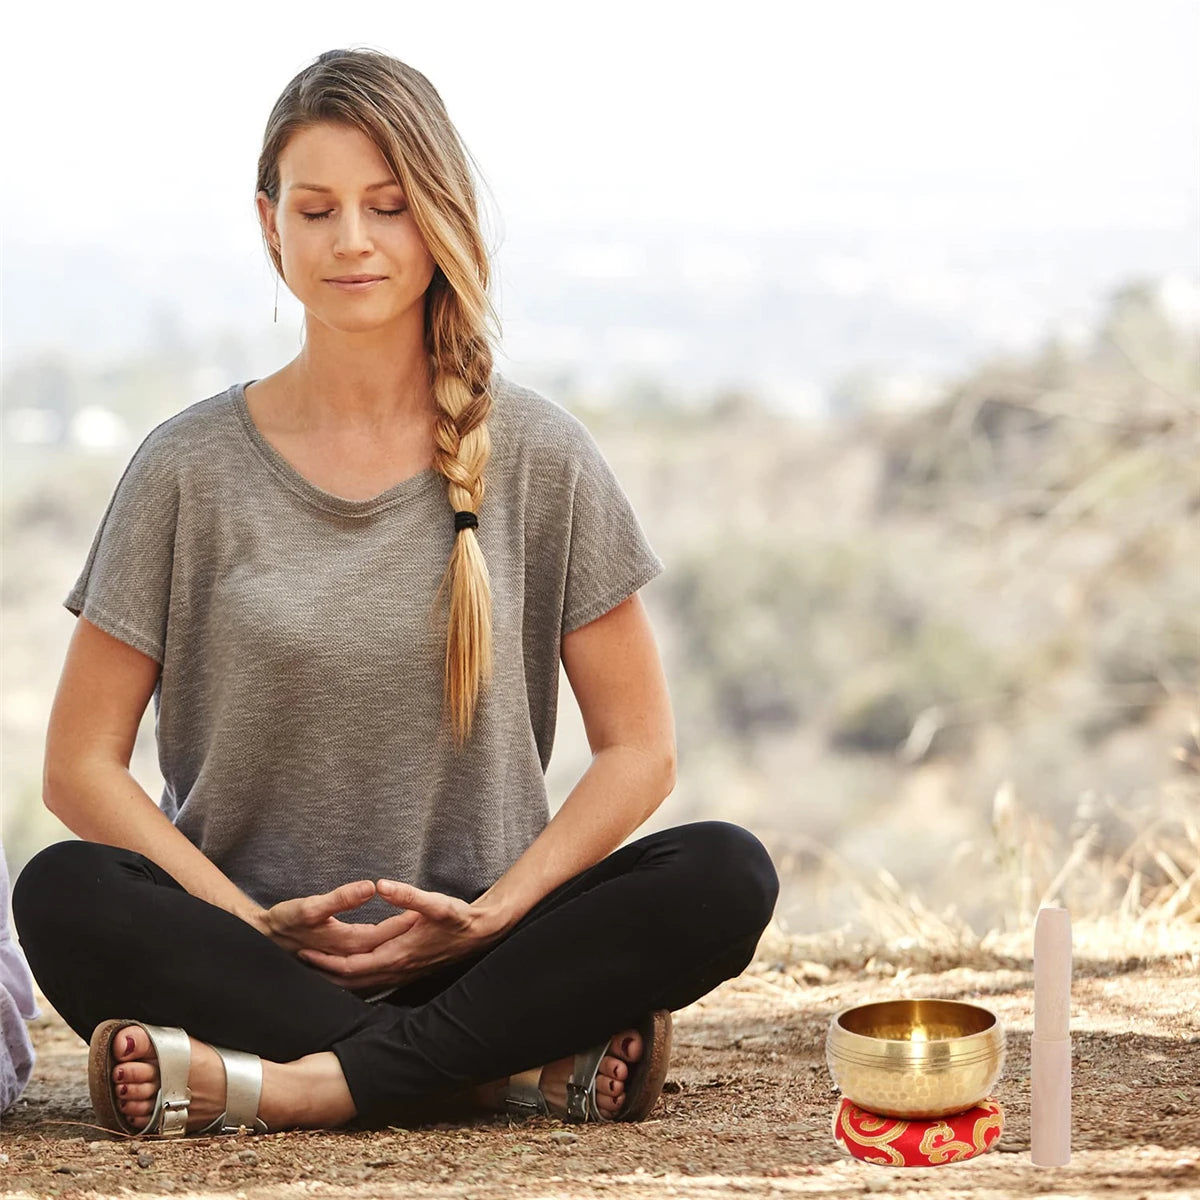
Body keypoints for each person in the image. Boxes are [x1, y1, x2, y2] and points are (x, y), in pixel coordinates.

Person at [11, 46, 779, 1139]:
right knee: (63, 892)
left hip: (486, 960)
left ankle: (298, 1086)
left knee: (724, 872)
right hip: (245, 962)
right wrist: (250, 920)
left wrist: (491, 916)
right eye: (317, 210)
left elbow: (641, 752)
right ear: (269, 226)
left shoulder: (543, 456)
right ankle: (485, 1078)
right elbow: (79, 766)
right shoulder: (185, 469)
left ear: (439, 219)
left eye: (387, 205)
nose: (353, 241)